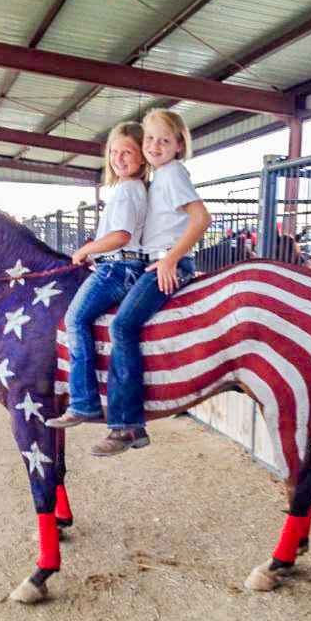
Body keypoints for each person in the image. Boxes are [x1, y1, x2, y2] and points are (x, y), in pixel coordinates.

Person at [89, 108, 211, 456]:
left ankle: (126, 424)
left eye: (165, 140)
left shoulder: (171, 174)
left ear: (178, 145)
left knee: (123, 326)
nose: (156, 145)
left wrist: (171, 258)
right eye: (151, 139)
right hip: (154, 260)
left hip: (166, 262)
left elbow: (201, 218)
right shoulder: (158, 177)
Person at [46, 121, 148, 429]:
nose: (118, 158)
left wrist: (85, 251)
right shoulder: (128, 188)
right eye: (114, 152)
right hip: (119, 263)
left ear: (142, 157)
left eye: (126, 152)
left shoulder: (128, 189)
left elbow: (120, 236)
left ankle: (84, 402)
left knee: (75, 320)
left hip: (118, 267)